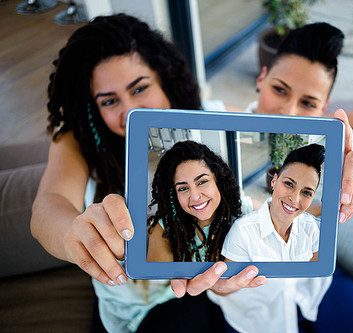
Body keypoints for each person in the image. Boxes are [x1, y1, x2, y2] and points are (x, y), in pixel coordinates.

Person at [30, 14, 265, 333]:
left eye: (140, 89)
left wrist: (345, 147)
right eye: (110, 100)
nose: (130, 111)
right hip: (127, 307)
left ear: (164, 79)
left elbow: (277, 122)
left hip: (195, 288)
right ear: (94, 107)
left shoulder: (209, 117)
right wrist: (73, 232)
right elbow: (49, 203)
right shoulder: (78, 139)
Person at [207, 22, 353, 333]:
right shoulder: (216, 124)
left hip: (319, 285)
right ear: (261, 79)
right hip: (250, 304)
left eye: (307, 103)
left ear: (322, 109)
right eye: (279, 90)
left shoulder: (320, 143)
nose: (287, 111)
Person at [147, 140, 255, 263]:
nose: (195, 196)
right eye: (183, 188)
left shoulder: (246, 209)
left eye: (202, 182)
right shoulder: (165, 228)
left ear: (218, 181)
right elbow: (158, 281)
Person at [223, 144, 325, 262]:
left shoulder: (310, 227)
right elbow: (235, 281)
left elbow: (316, 277)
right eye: (289, 184)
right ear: (274, 181)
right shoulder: (242, 233)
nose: (295, 199)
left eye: (307, 193)